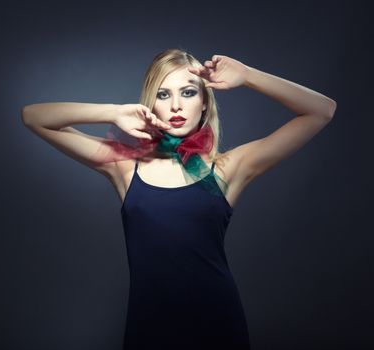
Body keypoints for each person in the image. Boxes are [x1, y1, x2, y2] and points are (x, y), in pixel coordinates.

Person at [21, 49, 336, 349]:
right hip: (149, 327)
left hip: (217, 323)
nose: (175, 106)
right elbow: (34, 117)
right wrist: (113, 112)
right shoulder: (126, 166)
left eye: (188, 92)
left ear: (204, 103)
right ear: (151, 103)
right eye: (163, 94)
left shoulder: (227, 168)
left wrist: (248, 75)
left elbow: (322, 111)